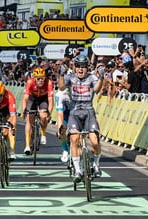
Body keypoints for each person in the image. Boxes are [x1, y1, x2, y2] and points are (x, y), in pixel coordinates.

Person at [58, 54, 104, 182]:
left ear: (87, 67)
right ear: (74, 67)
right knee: (74, 139)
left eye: (83, 66)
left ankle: (96, 164)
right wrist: (61, 75)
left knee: (95, 141)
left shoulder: (91, 77)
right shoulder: (70, 77)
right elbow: (61, 87)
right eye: (77, 66)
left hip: (89, 111)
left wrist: (101, 77)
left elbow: (96, 89)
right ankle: (78, 170)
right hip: (74, 112)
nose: (80, 69)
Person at [21, 67, 54, 155]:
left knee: (43, 116)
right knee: (29, 118)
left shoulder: (49, 83)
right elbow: (25, 99)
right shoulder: (30, 82)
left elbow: (51, 100)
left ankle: (43, 134)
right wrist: (24, 111)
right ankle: (27, 146)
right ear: (34, 78)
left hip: (43, 98)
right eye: (38, 79)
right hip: (32, 97)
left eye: (42, 78)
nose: (40, 80)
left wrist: (49, 113)